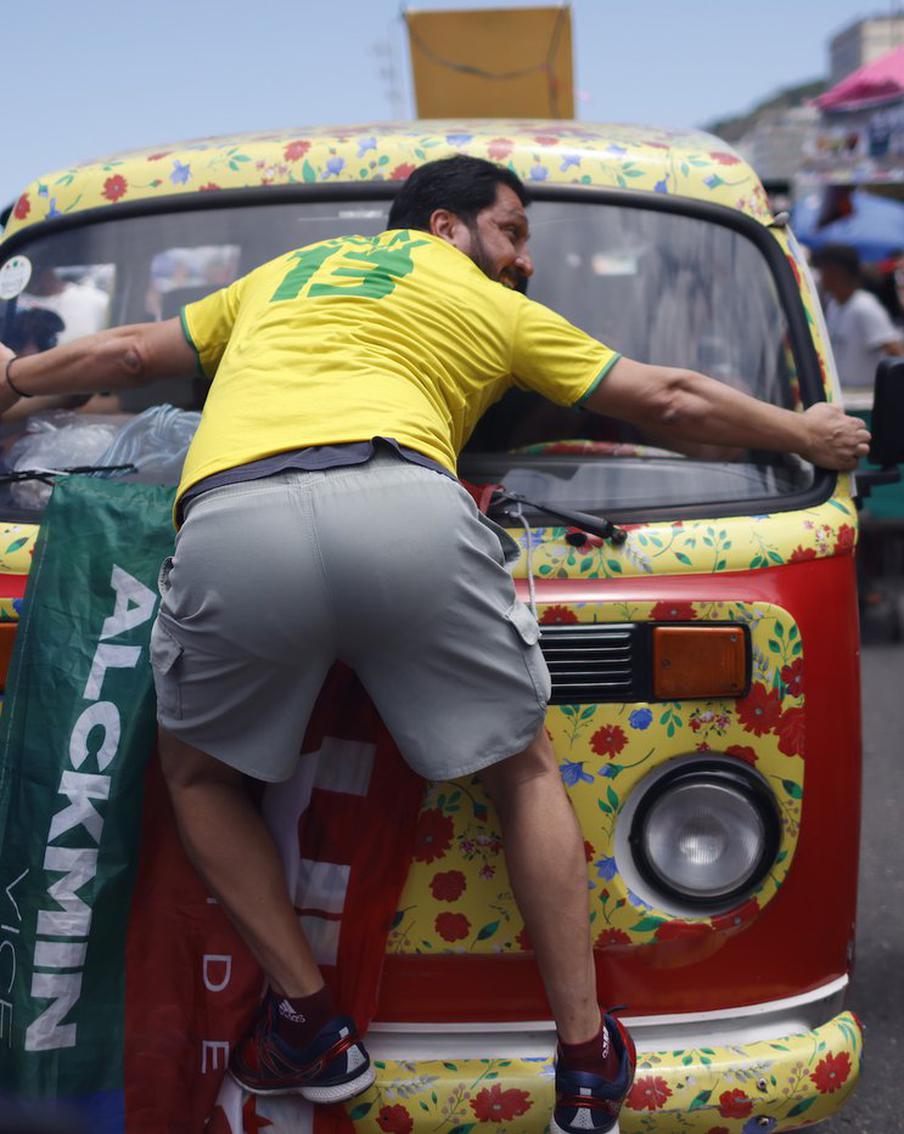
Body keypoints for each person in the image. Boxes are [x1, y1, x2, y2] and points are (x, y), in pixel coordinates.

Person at [0, 157, 869, 1134]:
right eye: (513, 233)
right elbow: (665, 398)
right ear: (448, 228)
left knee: (198, 778)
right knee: (525, 771)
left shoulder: (285, 275)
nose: (526, 261)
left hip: (233, 521)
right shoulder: (486, 301)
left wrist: (16, 382)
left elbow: (124, 355)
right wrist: (803, 429)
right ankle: (586, 1060)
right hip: (405, 504)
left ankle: (311, 1022)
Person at [812, 242, 904, 389]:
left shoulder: (864, 307)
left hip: (864, 398)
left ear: (836, 272)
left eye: (824, 270)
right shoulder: (834, 305)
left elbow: (895, 351)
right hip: (844, 394)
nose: (821, 276)